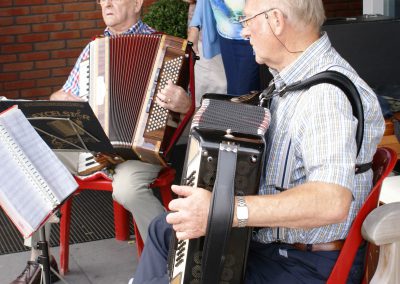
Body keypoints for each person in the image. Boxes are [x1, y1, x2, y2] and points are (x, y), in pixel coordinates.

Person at [133, 0, 385, 283]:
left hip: (303, 265)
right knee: (162, 229)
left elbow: (331, 202)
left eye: (247, 20)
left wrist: (222, 210)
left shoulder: (324, 97)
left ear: (275, 20)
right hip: (273, 247)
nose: (243, 33)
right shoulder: (292, 81)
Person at [11, 0, 191, 283]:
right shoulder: (93, 48)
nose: (105, 2)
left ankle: (170, 265)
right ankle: (40, 261)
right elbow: (58, 95)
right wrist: (64, 100)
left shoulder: (164, 49)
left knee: (128, 190)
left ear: (136, 3)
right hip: (90, 148)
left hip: (137, 151)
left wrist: (183, 102)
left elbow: (188, 107)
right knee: (31, 158)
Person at [188, 0, 260, 96]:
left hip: (250, 39)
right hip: (225, 39)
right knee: (232, 91)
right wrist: (194, 27)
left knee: (244, 94)